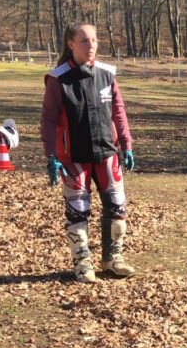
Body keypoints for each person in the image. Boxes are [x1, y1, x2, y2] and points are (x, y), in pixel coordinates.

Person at [40, 21, 137, 283]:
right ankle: (82, 263)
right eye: (84, 41)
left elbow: (118, 111)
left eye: (94, 40)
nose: (90, 46)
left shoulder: (107, 74)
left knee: (117, 207)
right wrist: (52, 155)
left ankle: (113, 259)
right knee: (77, 211)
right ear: (71, 44)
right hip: (73, 158)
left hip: (107, 153)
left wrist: (126, 144)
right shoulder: (58, 79)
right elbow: (48, 119)